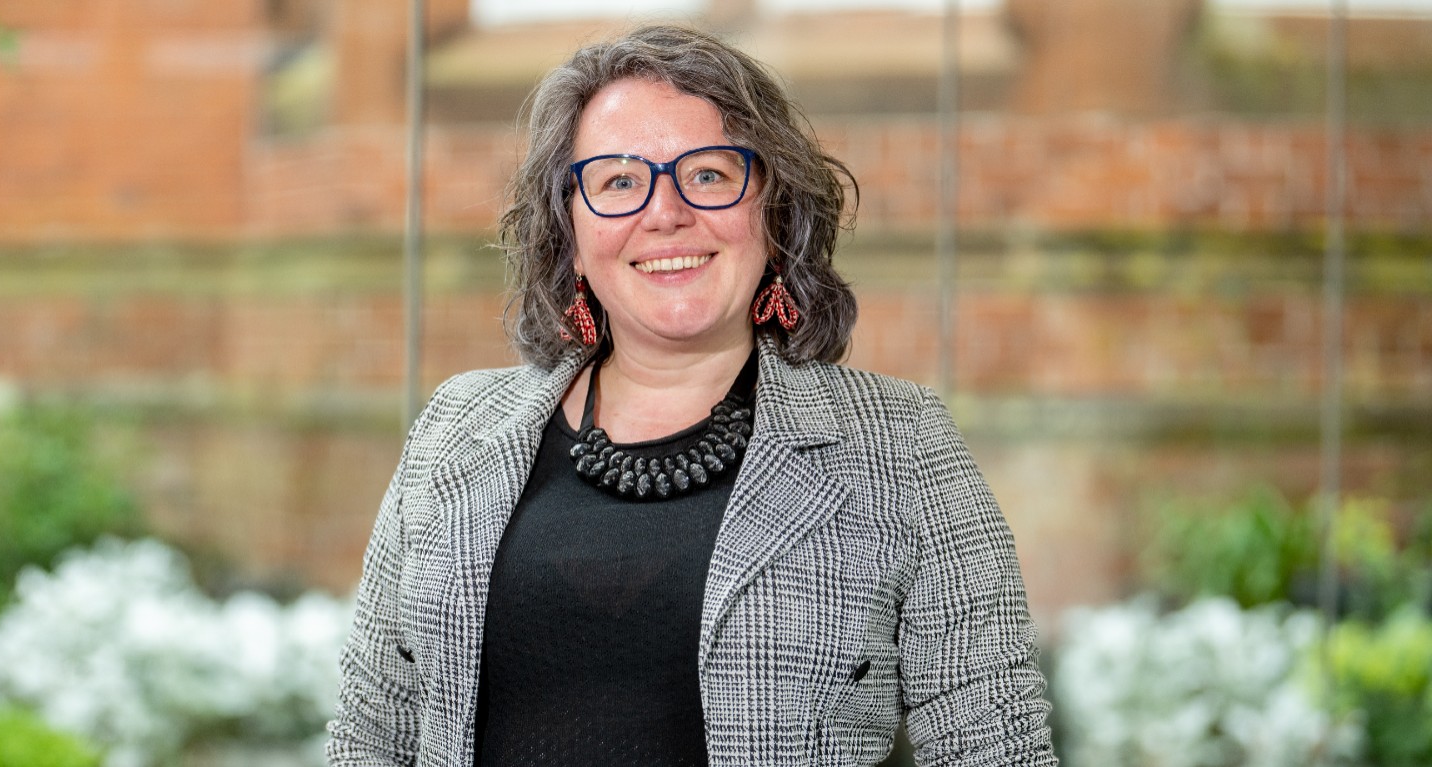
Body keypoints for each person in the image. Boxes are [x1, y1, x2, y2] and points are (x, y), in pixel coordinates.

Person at [327, 24, 1055, 767]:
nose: (666, 212)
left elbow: (996, 748)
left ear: (774, 212)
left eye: (707, 174)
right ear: (569, 232)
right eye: (619, 181)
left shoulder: (901, 444)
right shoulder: (453, 428)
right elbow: (370, 735)